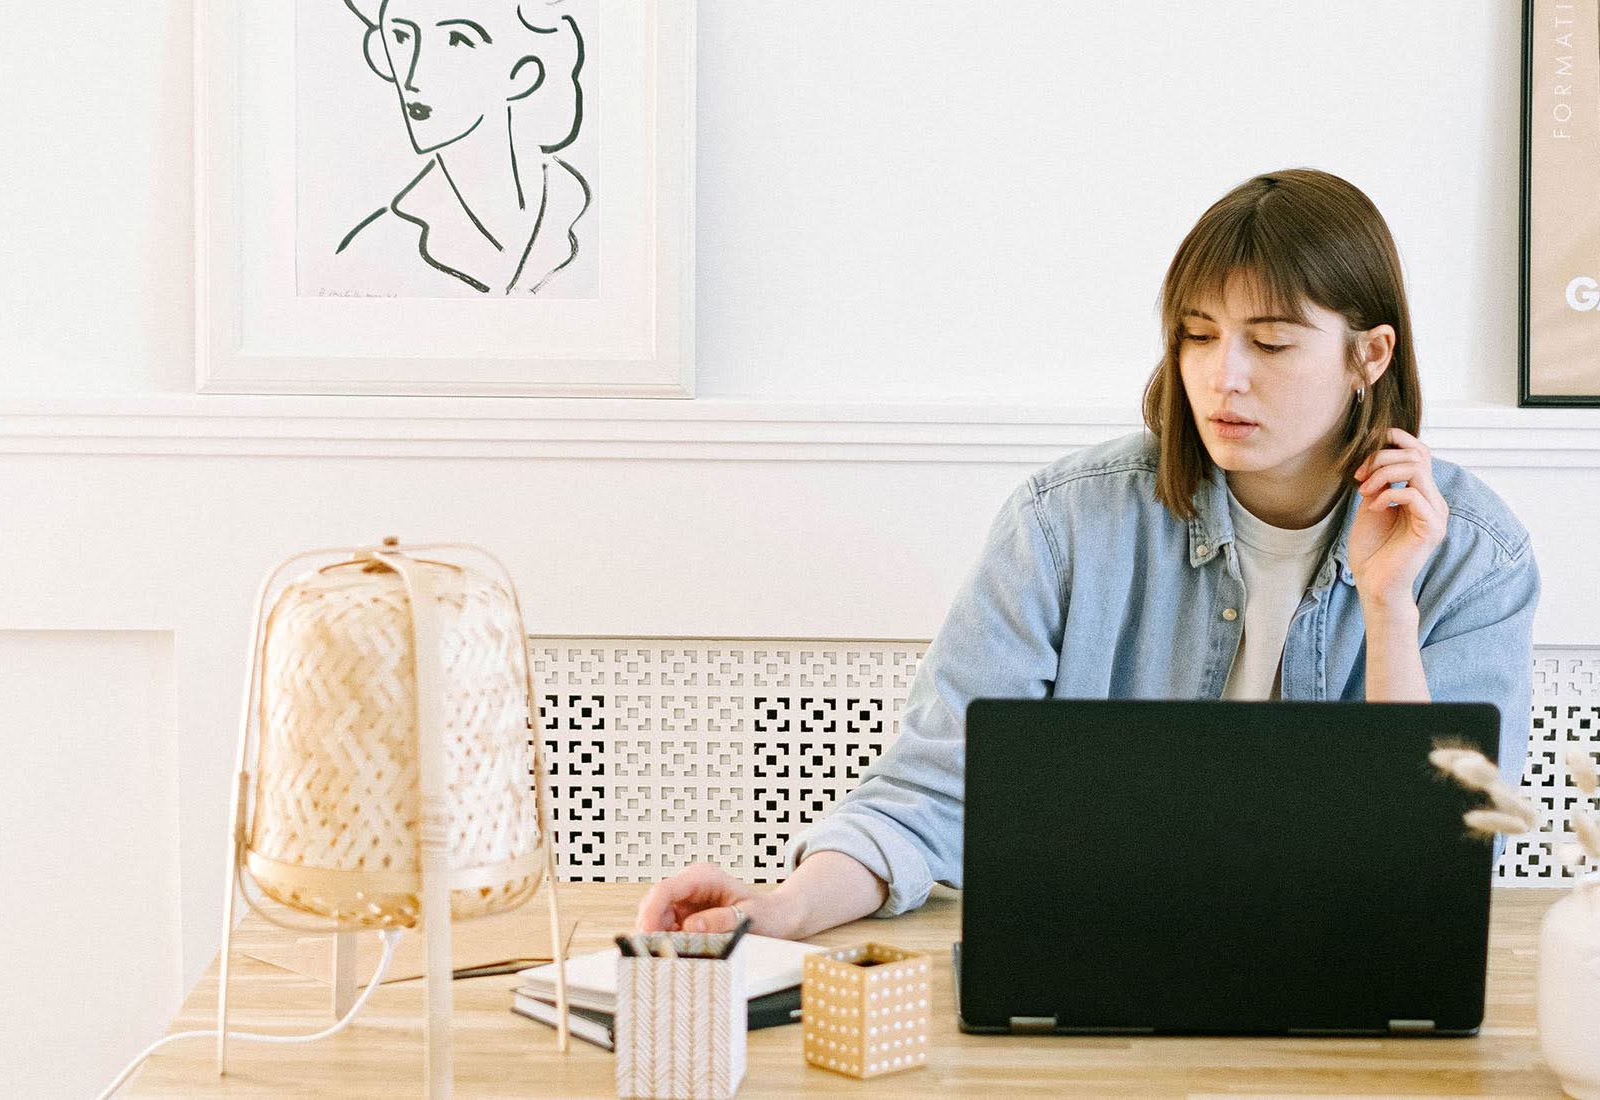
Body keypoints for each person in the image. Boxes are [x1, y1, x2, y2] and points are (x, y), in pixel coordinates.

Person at [637, 168, 1541, 940]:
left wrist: (1388, 608)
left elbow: (1437, 862)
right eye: (1197, 335)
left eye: (1269, 342)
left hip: (1344, 972)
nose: (1222, 377)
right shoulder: (1067, 523)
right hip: (1102, 962)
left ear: (1369, 355)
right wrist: (784, 908)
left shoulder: (1475, 558)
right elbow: (935, 791)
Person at [335, 0, 592, 295]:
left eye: (456, 40)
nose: (413, 78)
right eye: (401, 37)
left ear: (523, 73)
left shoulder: (586, 212)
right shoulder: (375, 249)